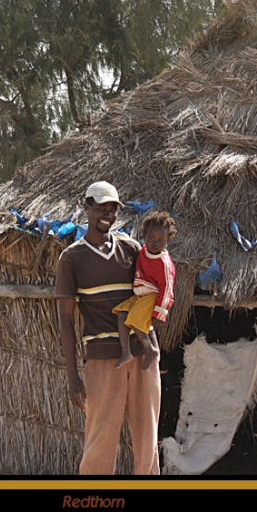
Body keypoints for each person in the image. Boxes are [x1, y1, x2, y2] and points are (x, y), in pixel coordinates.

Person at [55, 181, 161, 475]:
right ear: (86, 206)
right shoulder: (72, 259)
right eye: (101, 207)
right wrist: (73, 378)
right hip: (102, 360)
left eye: (113, 209)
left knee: (147, 438)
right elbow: (65, 320)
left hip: (142, 357)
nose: (108, 214)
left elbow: (148, 296)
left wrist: (152, 345)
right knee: (100, 439)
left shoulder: (131, 249)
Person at [112, 211, 177, 371]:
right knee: (122, 315)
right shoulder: (142, 252)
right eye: (151, 239)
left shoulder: (164, 262)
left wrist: (160, 312)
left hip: (152, 296)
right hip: (140, 295)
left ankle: (151, 349)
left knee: (135, 321)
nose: (154, 243)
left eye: (160, 240)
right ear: (144, 236)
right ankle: (126, 352)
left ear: (167, 240)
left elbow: (167, 288)